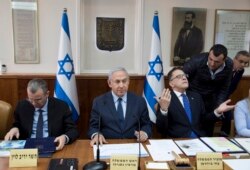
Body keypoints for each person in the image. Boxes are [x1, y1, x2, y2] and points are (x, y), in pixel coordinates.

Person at [155, 67, 234, 138]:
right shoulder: (165, 99)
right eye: (179, 76)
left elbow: (204, 120)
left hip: (199, 138)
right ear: (171, 83)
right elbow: (161, 128)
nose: (184, 78)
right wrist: (164, 109)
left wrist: (217, 111)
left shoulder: (196, 97)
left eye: (184, 75)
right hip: (178, 139)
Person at [4, 78, 79, 150]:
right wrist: (14, 129)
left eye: (38, 99)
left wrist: (64, 137)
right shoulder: (22, 106)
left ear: (47, 94)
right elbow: (17, 124)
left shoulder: (61, 106)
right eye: (30, 99)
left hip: (53, 146)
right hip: (27, 149)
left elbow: (72, 130)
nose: (33, 103)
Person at [87, 67, 152, 146]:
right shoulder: (99, 102)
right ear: (110, 83)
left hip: (133, 144)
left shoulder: (139, 101)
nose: (121, 85)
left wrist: (144, 133)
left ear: (128, 82)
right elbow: (93, 127)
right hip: (107, 144)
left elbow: (146, 124)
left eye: (124, 81)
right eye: (117, 82)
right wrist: (96, 135)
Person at [183, 44, 233, 136]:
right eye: (210, 59)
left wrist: (218, 107)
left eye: (217, 62)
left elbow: (224, 88)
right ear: (208, 55)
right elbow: (182, 78)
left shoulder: (229, 64)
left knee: (208, 130)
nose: (212, 63)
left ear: (224, 60)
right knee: (193, 127)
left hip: (211, 100)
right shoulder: (196, 61)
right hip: (193, 97)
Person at [220, 50, 250, 136]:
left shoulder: (241, 71)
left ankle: (224, 137)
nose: (243, 65)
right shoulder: (224, 68)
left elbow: (233, 86)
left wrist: (226, 97)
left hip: (226, 96)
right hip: (215, 96)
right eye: (241, 62)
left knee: (228, 115)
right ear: (234, 59)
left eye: (246, 63)